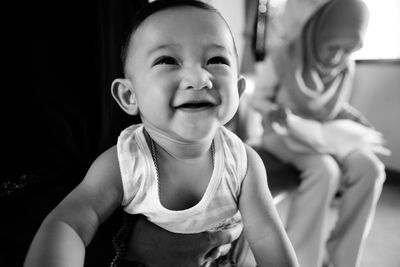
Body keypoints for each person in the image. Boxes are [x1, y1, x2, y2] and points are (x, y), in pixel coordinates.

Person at [24, 1, 299, 267]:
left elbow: (267, 237)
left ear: (238, 92)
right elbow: (68, 223)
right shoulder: (125, 163)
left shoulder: (243, 163)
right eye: (168, 60)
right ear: (130, 95)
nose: (199, 78)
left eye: (216, 60)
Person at [249, 0, 387, 266]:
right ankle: (299, 258)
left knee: (371, 169)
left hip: (324, 136)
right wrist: (273, 110)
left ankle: (342, 258)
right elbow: (258, 99)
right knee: (325, 171)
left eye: (347, 50)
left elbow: (333, 108)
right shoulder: (285, 55)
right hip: (282, 133)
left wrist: (355, 119)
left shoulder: (346, 66)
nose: (336, 57)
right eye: (332, 46)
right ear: (320, 30)